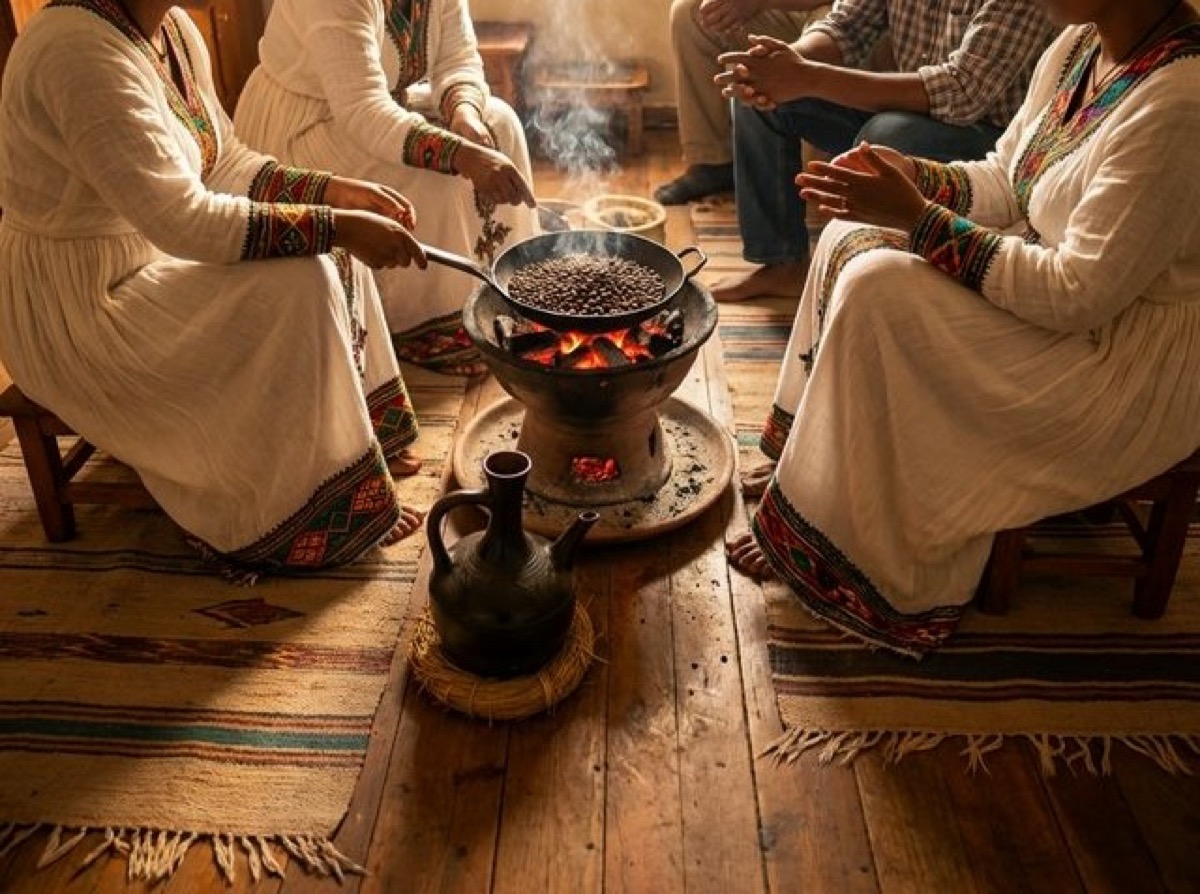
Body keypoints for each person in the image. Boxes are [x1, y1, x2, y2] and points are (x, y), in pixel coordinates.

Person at [725, 0, 1200, 657]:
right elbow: (1007, 178)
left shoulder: (1180, 105)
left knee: (880, 289)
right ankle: (811, 469)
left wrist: (919, 218)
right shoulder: (1077, 48)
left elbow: (1077, 296)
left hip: (1116, 364)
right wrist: (911, 177)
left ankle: (846, 537)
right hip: (1057, 293)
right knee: (849, 231)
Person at [0, 0, 431, 580]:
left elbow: (221, 162)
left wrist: (333, 192)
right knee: (301, 277)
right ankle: (295, 505)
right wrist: (336, 224)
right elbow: (183, 221)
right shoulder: (74, 50)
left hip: (148, 255)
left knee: (326, 252)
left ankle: (354, 445)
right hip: (76, 306)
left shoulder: (173, 29)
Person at [234, 0, 539, 376]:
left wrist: (465, 116)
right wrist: (459, 154)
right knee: (431, 178)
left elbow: (457, 57)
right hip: (309, 123)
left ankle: (507, 294)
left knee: (502, 124)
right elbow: (362, 110)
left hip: (381, 109)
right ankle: (427, 328)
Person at [711, 0, 1059, 302]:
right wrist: (782, 65)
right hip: (914, 110)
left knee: (883, 137)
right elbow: (846, 26)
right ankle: (783, 264)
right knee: (760, 93)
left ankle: (864, 276)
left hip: (994, 140)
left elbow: (962, 92)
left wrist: (808, 77)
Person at [654, 0, 831, 206]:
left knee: (824, 30)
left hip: (838, 15)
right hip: (797, 11)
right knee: (692, 12)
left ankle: (816, 173)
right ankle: (712, 163)